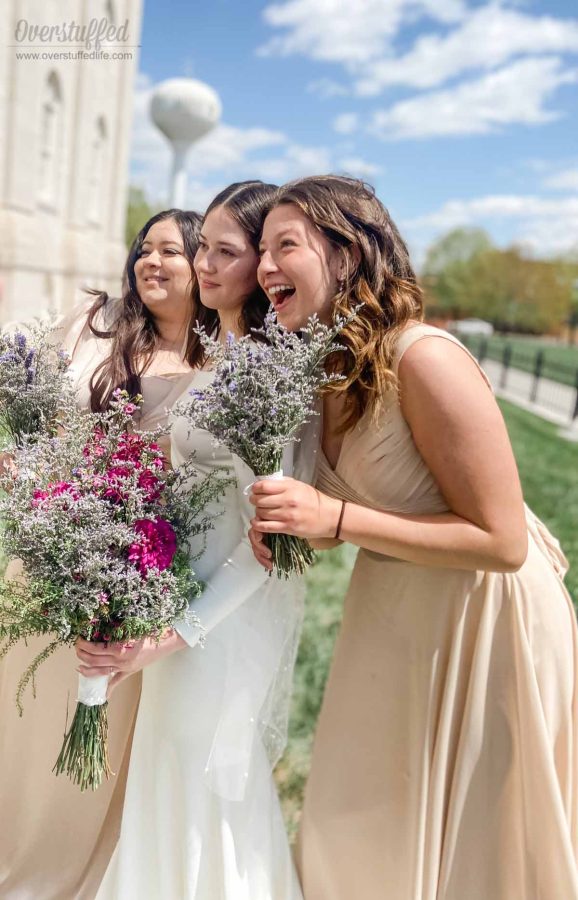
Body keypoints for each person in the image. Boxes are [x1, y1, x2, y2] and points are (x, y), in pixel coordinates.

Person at [250, 175, 578, 900]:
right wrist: (298, 528)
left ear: (347, 255)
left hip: (485, 621)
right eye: (260, 249)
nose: (264, 265)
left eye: (285, 246)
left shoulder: (423, 358)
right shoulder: (322, 368)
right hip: (394, 614)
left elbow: (502, 541)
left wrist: (334, 520)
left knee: (478, 847)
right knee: (360, 823)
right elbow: (364, 505)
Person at [78, 182, 306, 900]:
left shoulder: (263, 373)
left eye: (227, 251)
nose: (205, 264)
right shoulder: (217, 358)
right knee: (166, 773)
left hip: (219, 621)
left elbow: (266, 548)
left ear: (264, 265)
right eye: (201, 246)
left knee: (208, 785)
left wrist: (172, 635)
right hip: (174, 602)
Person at [0, 208, 202, 900]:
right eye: (144, 248)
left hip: (134, 574)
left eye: (171, 251)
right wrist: (22, 466)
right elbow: (38, 415)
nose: (151, 260)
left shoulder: (220, 361)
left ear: (203, 265)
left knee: (94, 719)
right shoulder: (96, 324)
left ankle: (62, 871)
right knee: (20, 716)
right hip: (52, 549)